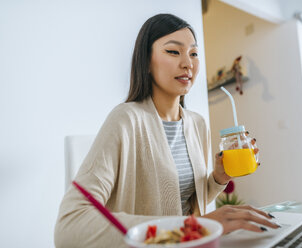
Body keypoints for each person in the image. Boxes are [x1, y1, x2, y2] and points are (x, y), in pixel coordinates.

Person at [54, 13, 279, 248]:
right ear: (146, 62)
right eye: (174, 51)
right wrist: (192, 227)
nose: (188, 63)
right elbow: (69, 226)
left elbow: (185, 202)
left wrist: (217, 179)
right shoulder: (125, 120)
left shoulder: (197, 123)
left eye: (193, 53)